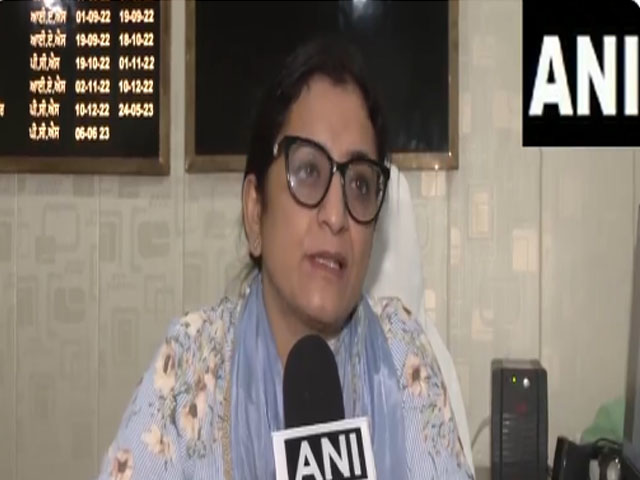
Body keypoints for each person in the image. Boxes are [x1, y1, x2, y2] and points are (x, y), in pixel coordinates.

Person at [97, 37, 473, 480]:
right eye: (309, 171)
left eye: (359, 184)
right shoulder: (189, 365)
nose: (336, 216)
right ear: (255, 212)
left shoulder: (402, 355)